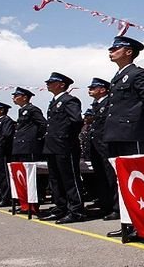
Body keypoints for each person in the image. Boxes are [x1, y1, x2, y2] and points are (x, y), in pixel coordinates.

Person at [103, 36, 144, 237]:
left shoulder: (139, 74)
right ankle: (128, 224)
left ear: (128, 51)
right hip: (115, 133)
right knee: (121, 181)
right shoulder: (117, 77)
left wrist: (138, 123)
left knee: (138, 180)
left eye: (115, 48)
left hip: (133, 133)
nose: (110, 51)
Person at [39, 72, 86, 224]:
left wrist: (65, 137)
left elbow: (76, 121)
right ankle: (61, 208)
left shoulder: (69, 100)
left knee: (69, 179)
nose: (48, 84)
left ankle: (76, 211)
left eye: (51, 82)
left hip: (65, 146)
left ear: (61, 84)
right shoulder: (54, 102)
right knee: (55, 179)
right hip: (52, 146)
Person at [86, 78, 117, 220]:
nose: (90, 89)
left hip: (106, 145)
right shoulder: (96, 104)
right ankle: (106, 206)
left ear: (103, 89)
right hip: (96, 145)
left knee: (111, 177)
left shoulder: (109, 102)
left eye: (94, 87)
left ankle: (116, 208)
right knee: (101, 177)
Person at [11, 87, 47, 162]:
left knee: (29, 169)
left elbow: (43, 124)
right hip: (20, 146)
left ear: (24, 97)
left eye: (16, 96)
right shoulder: (22, 110)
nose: (13, 98)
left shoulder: (32, 109)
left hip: (28, 146)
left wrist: (37, 137)